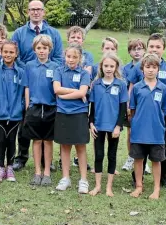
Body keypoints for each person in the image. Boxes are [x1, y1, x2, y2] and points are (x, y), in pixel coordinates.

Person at [12, 0, 63, 171]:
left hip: (48, 84)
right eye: (32, 9)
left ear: (43, 12)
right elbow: (15, 56)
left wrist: (46, 70)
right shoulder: (19, 33)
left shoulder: (53, 33)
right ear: (28, 12)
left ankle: (45, 160)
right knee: (26, 120)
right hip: (26, 80)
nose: (35, 12)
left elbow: (58, 58)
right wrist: (28, 71)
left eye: (39, 9)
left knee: (47, 123)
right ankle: (22, 156)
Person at [127, 33, 166, 190]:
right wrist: (130, 113)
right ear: (146, 47)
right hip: (141, 113)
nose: (154, 49)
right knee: (140, 144)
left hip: (162, 114)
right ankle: (138, 177)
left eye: (158, 47)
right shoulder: (139, 67)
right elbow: (131, 89)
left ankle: (165, 175)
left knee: (163, 145)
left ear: (163, 49)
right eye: (151, 46)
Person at [129, 53, 166, 199]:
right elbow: (132, 109)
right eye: (148, 67)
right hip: (139, 131)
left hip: (156, 132)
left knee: (156, 161)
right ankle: (139, 186)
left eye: (154, 67)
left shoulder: (163, 89)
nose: (151, 70)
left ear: (158, 69)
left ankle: (156, 189)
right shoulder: (137, 88)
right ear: (142, 69)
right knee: (138, 160)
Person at [0, 41, 26, 183]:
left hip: (15, 115)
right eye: (5, 52)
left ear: (16, 54)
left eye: (11, 52)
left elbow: (24, 94)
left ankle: (10, 168)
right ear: (1, 53)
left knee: (11, 141)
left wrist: (20, 107)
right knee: (0, 140)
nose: (8, 55)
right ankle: (0, 167)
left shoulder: (21, 73)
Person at [88, 53, 128, 197]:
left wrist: (118, 126)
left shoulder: (121, 84)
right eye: (106, 66)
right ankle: (98, 185)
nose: (109, 69)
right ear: (101, 67)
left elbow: (123, 108)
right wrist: (90, 123)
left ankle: (108, 187)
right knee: (99, 155)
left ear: (116, 67)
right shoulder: (96, 84)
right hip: (98, 125)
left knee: (112, 155)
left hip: (113, 127)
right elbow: (92, 106)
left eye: (112, 66)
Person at [53, 44, 90, 194]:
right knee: (65, 146)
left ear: (80, 58)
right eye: (69, 56)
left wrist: (63, 95)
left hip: (79, 113)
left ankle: (83, 180)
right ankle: (65, 178)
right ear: (65, 56)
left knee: (80, 146)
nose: (71, 59)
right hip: (62, 112)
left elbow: (83, 92)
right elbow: (56, 89)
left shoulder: (84, 74)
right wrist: (77, 92)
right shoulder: (59, 71)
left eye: (75, 57)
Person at [24, 35, 59, 186]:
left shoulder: (55, 67)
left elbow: (57, 89)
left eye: (44, 48)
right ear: (34, 49)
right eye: (39, 48)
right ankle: (37, 171)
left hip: (51, 108)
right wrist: (28, 106)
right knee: (37, 140)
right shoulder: (29, 66)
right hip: (35, 107)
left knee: (48, 140)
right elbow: (27, 87)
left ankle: (47, 173)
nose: (42, 51)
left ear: (49, 49)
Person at [121, 39, 146, 172]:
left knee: (144, 131)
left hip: (144, 105)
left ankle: (144, 160)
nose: (137, 51)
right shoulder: (125, 68)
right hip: (130, 104)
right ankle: (131, 157)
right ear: (129, 52)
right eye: (133, 49)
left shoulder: (148, 65)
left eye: (139, 48)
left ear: (144, 50)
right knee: (130, 132)